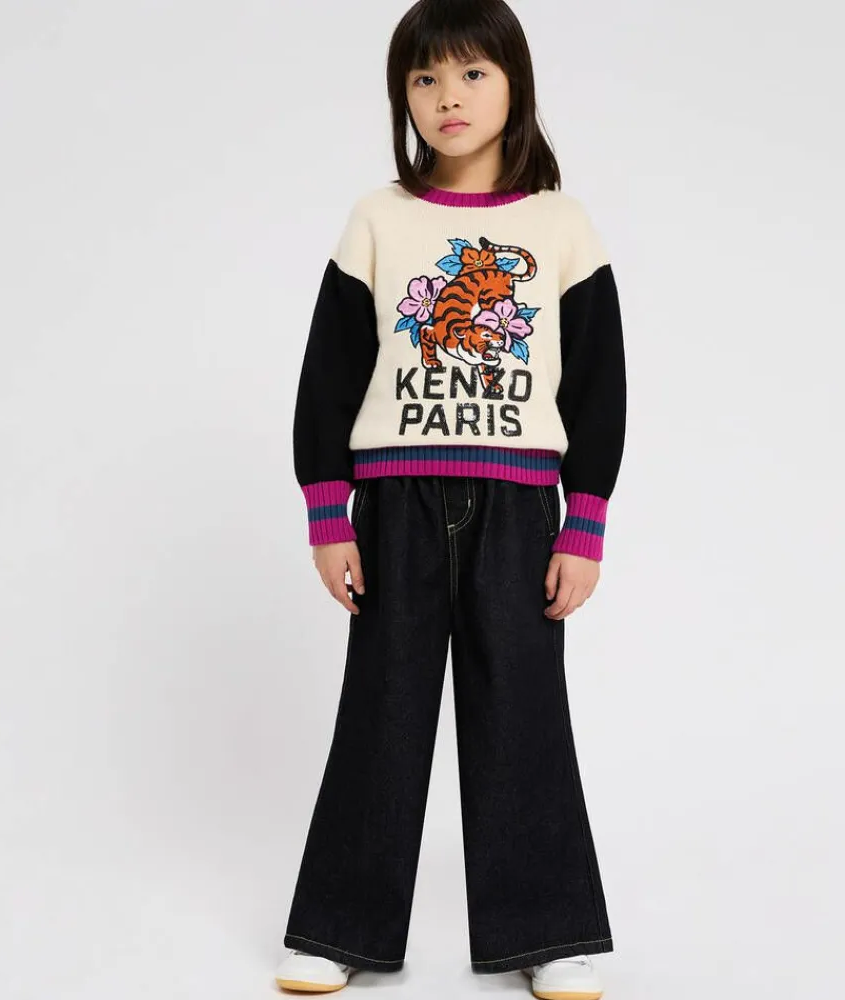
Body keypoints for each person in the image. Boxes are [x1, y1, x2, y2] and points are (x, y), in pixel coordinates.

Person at [274, 1, 626, 997]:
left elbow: (599, 386)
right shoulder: (378, 218)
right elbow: (328, 374)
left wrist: (585, 524)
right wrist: (328, 514)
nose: (448, 97)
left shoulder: (559, 225)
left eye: (472, 74)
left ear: (515, 83)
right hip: (395, 503)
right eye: (425, 78)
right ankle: (341, 929)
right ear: (403, 96)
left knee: (523, 713)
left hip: (521, 510)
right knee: (381, 710)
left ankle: (546, 933)